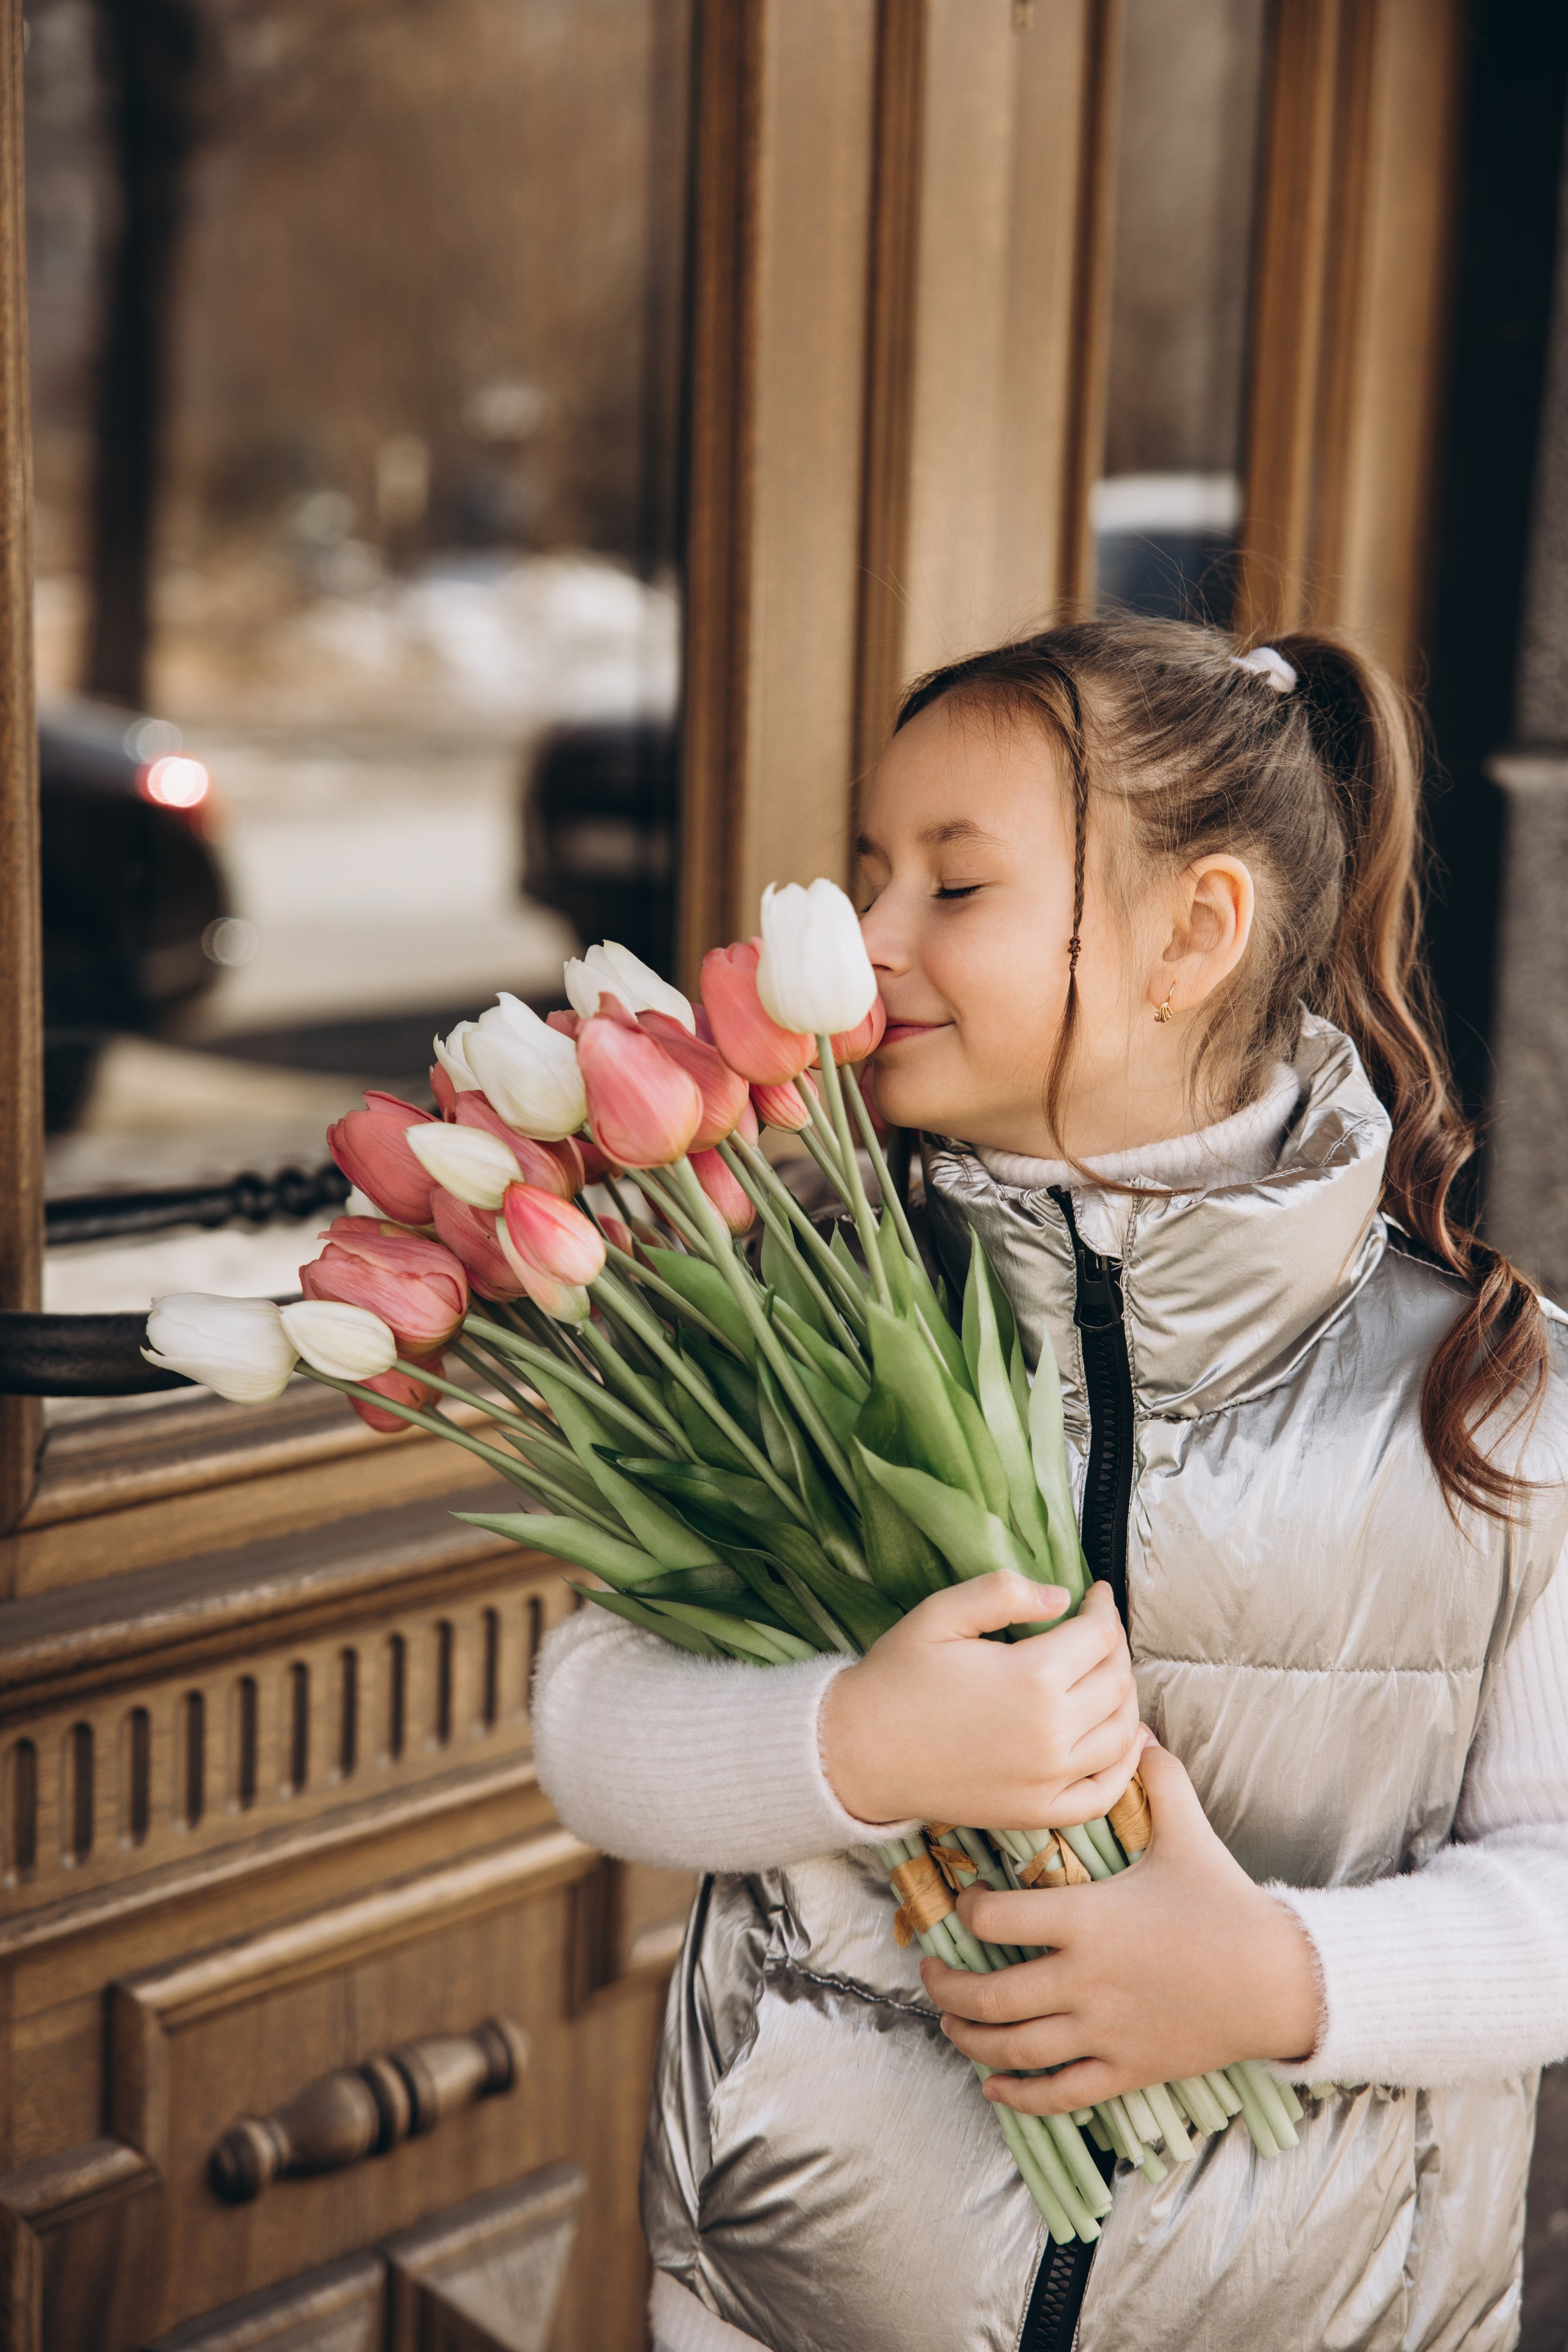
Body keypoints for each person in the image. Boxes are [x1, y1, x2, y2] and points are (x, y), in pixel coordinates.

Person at [533, 617, 1568, 2352]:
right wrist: (858, 1740)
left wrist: (1273, 1981)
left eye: (955, 888)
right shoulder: (791, 1323)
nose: (867, 944)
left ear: (1195, 931)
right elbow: (589, 1728)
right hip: (790, 2307)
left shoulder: (1498, 1397)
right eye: (870, 876)